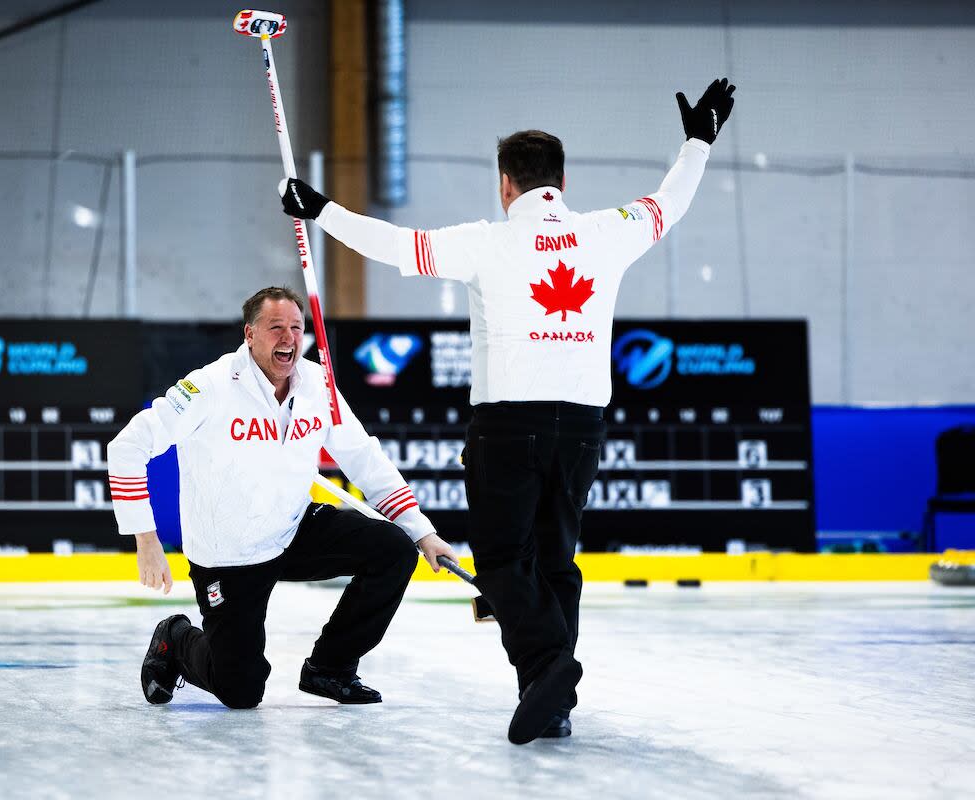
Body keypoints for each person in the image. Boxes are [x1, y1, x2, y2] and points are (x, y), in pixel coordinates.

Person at [278, 79, 737, 743]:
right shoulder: (607, 231)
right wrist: (697, 141)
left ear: (505, 184)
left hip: (508, 424)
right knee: (556, 561)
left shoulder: (486, 241)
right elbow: (672, 203)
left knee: (500, 562)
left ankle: (551, 672)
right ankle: (548, 699)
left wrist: (319, 210)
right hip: (582, 424)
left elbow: (392, 244)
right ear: (562, 180)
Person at [108, 286, 457, 710]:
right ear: (249, 334)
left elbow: (364, 458)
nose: (289, 338)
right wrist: (146, 539)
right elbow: (126, 447)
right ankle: (176, 640)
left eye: (296, 327)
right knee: (240, 690)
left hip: (292, 530)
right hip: (230, 554)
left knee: (393, 549)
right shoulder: (209, 387)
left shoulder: (317, 384)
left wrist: (423, 533)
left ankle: (331, 667)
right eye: (276, 328)